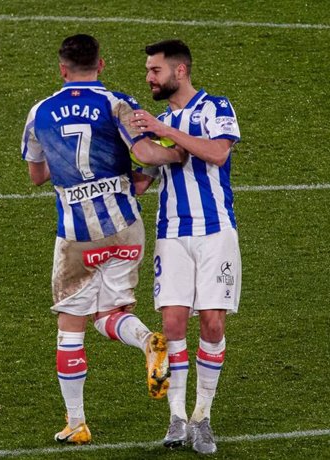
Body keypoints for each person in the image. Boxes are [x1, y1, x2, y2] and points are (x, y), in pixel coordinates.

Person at [20, 34, 186, 445]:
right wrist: (179, 154)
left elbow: (37, 175)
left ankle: (76, 423)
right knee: (110, 312)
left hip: (77, 237)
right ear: (102, 65)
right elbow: (147, 155)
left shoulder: (39, 111)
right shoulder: (117, 103)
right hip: (126, 227)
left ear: (62, 69)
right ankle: (149, 340)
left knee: (71, 325)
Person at [129, 39, 242, 455]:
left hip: (216, 231)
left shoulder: (216, 107)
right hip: (172, 232)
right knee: (173, 322)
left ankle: (202, 418)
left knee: (212, 322)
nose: (148, 78)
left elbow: (216, 153)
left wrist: (166, 132)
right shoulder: (158, 122)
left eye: (154, 70)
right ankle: (177, 418)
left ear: (179, 71)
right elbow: (146, 178)